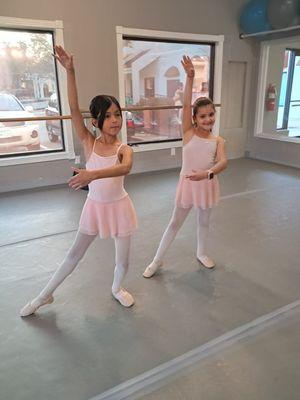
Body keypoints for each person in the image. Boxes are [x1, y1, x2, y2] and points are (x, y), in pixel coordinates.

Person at [20, 45, 137, 316]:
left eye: (117, 114)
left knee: (123, 259)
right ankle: (43, 296)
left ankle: (117, 288)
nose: (114, 120)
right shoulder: (88, 141)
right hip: (95, 207)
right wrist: (70, 71)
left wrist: (91, 175)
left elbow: (126, 169)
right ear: (95, 120)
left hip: (119, 207)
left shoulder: (124, 149)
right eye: (107, 115)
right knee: (74, 254)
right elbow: (73, 107)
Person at [143, 55, 227, 278]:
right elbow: (187, 102)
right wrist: (189, 78)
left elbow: (223, 162)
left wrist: (207, 173)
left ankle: (201, 252)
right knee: (175, 223)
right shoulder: (188, 134)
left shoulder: (217, 141)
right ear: (194, 118)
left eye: (211, 115)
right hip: (188, 184)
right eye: (203, 116)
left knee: (204, 220)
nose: (208, 119)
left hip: (206, 184)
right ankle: (156, 260)